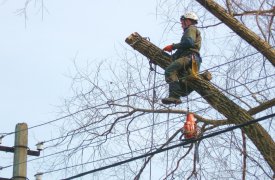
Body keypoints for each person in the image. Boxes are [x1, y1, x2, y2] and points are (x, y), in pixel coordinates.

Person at [162, 12, 202, 105]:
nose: (181, 25)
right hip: (194, 61)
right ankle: (177, 95)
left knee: (170, 70)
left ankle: (174, 96)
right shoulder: (192, 30)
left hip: (190, 57)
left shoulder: (191, 29)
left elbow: (188, 43)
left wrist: (173, 46)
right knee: (183, 89)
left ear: (187, 20)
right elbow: (181, 51)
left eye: (182, 22)